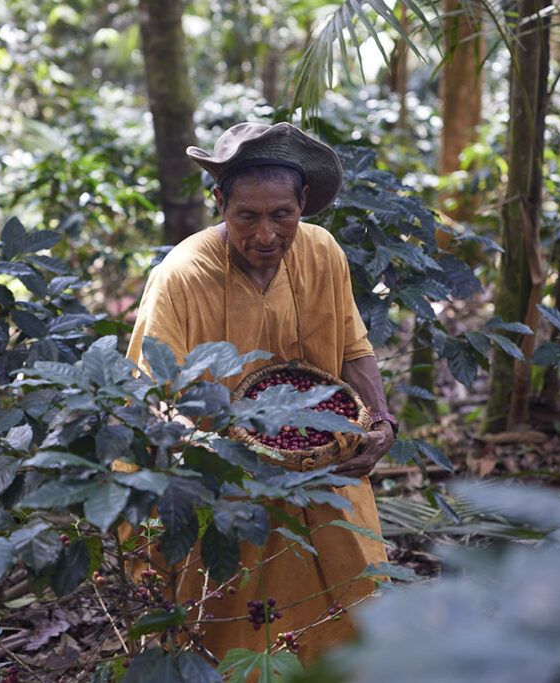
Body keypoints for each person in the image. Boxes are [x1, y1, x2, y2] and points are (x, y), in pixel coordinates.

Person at [125, 121, 397, 664]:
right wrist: (210, 454)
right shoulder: (180, 275)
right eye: (246, 216)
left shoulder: (323, 252)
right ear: (219, 202)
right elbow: (152, 394)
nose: (266, 235)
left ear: (303, 202)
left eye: (282, 216)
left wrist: (383, 422)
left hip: (320, 463)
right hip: (216, 477)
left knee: (351, 604)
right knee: (221, 624)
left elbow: (353, 348)